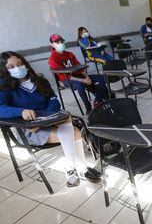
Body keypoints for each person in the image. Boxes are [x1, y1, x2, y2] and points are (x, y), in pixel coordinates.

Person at [0, 51, 102, 187]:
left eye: (19, 64)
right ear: (3, 70)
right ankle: (80, 169)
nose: (17, 68)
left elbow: (54, 102)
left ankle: (72, 169)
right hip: (29, 130)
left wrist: (43, 118)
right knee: (74, 132)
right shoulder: (5, 88)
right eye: (11, 67)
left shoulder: (41, 81)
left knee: (69, 123)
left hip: (48, 121)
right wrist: (21, 111)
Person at [48, 34, 108, 115]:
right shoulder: (53, 58)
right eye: (57, 42)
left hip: (79, 76)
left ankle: (98, 100)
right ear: (52, 45)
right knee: (80, 85)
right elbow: (64, 76)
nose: (60, 43)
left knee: (102, 77)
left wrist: (87, 77)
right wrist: (83, 80)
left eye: (61, 41)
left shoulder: (70, 54)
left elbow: (80, 67)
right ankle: (88, 106)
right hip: (67, 79)